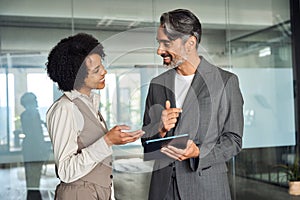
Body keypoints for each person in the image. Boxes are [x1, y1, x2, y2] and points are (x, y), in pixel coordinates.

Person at [141, 9, 244, 200]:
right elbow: (147, 146)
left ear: (190, 43)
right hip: (163, 190)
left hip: (206, 188)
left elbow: (233, 141)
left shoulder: (225, 82)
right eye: (159, 43)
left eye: (167, 43)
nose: (159, 50)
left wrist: (198, 152)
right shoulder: (157, 85)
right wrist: (160, 129)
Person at [46, 33, 144, 200]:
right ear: (76, 76)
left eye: (102, 66)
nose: (104, 72)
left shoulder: (89, 103)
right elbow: (66, 171)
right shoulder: (65, 108)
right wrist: (107, 141)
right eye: (96, 70)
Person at [20, 92, 48, 200]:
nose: (37, 102)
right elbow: (37, 134)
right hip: (34, 147)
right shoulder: (33, 114)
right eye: (35, 100)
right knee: (35, 177)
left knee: (31, 176)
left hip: (28, 147)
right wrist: (43, 148)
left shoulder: (25, 115)